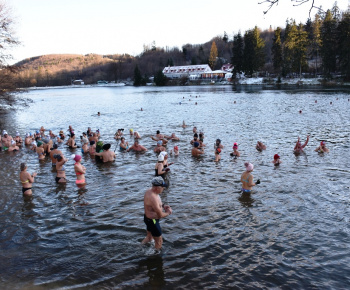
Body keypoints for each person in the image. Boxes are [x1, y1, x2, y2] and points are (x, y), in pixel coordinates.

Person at [142, 177, 172, 250]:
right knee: (159, 241)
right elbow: (160, 215)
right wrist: (168, 212)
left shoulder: (150, 191)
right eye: (162, 187)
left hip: (147, 218)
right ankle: (156, 257)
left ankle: (140, 248)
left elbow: (155, 205)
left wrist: (163, 206)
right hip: (153, 221)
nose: (163, 189)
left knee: (149, 237)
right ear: (157, 188)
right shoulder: (153, 198)